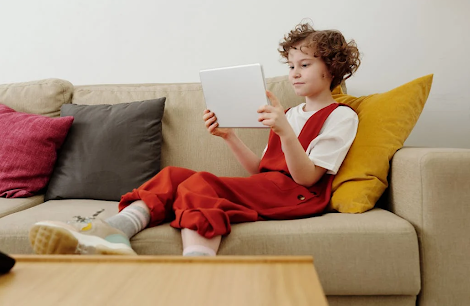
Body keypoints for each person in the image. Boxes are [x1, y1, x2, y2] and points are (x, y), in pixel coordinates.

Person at [29, 21, 361, 256]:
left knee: (199, 184)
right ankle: (117, 231)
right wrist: (229, 136)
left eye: (305, 64)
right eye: (291, 66)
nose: (295, 73)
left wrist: (285, 132)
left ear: (331, 69)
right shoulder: (288, 113)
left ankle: (198, 265)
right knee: (174, 176)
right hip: (274, 187)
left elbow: (308, 177)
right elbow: (262, 172)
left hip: (301, 196)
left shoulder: (340, 116)